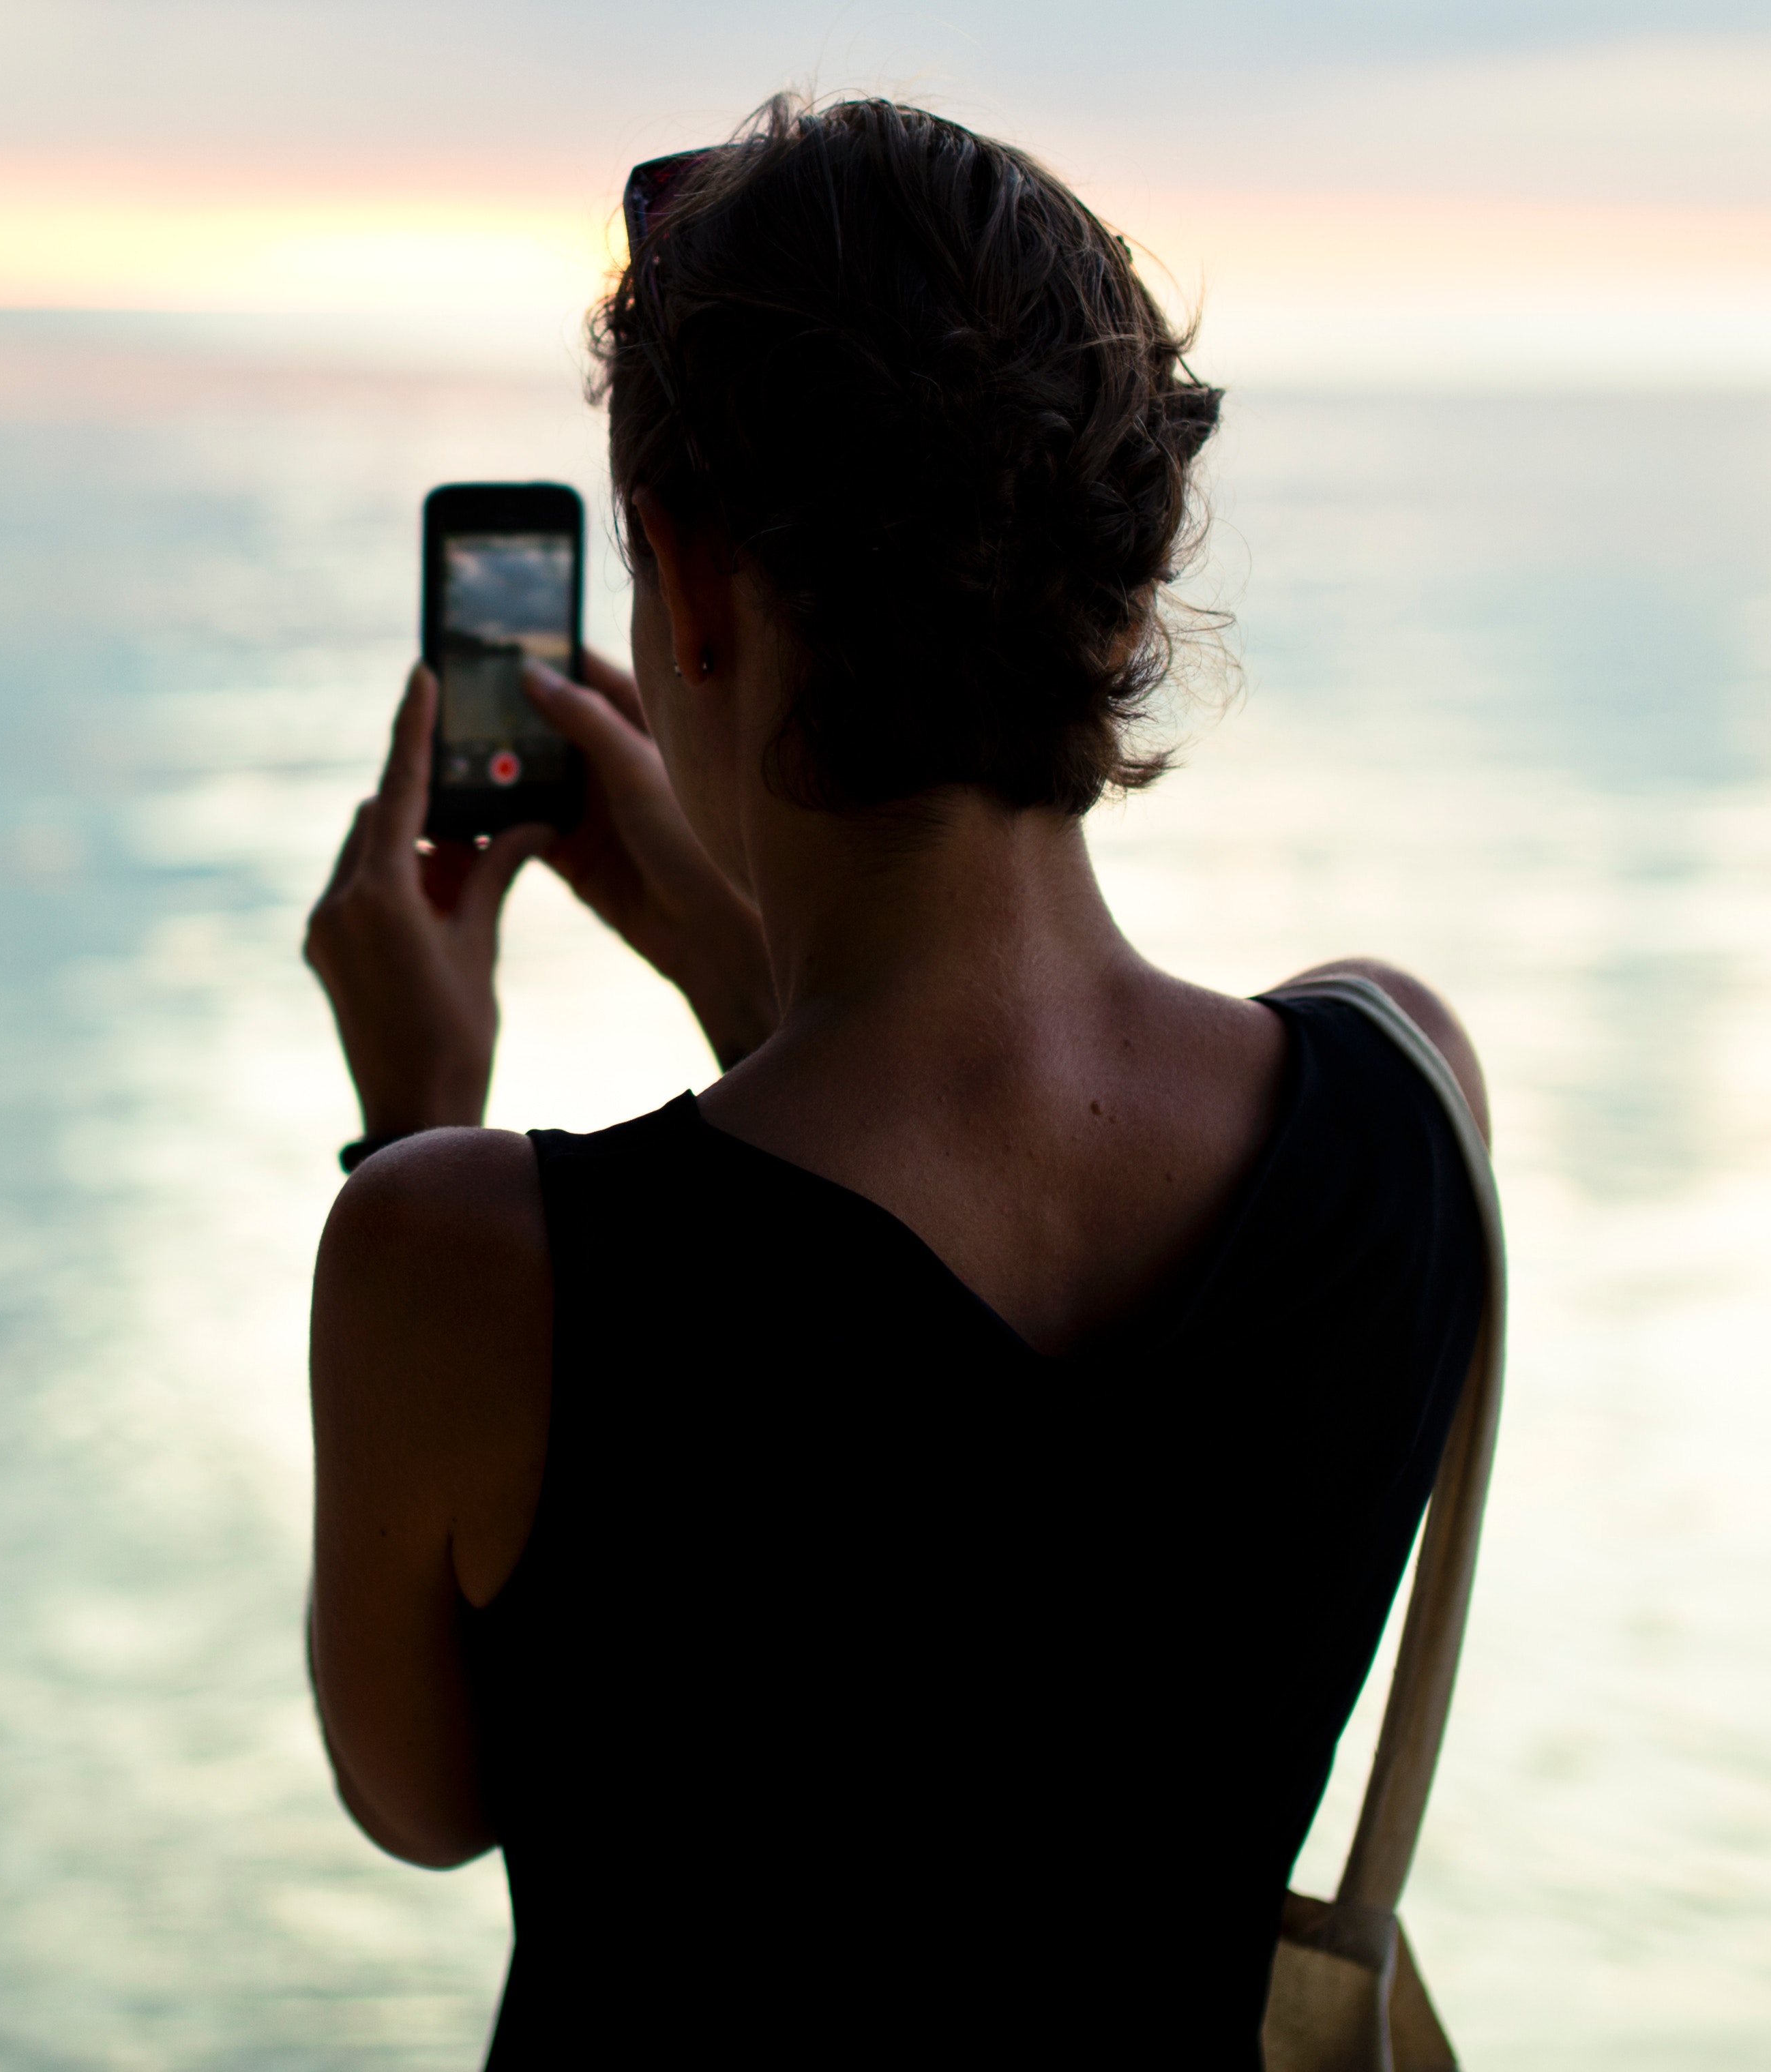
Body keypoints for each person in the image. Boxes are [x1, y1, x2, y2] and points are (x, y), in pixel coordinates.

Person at [299, 97, 1490, 2065]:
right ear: (1115, 582)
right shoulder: (1403, 1102)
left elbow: (426, 1802)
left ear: (684, 590)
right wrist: (727, 946)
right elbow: (940, 1384)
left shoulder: (460, 1256)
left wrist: (424, 1098)